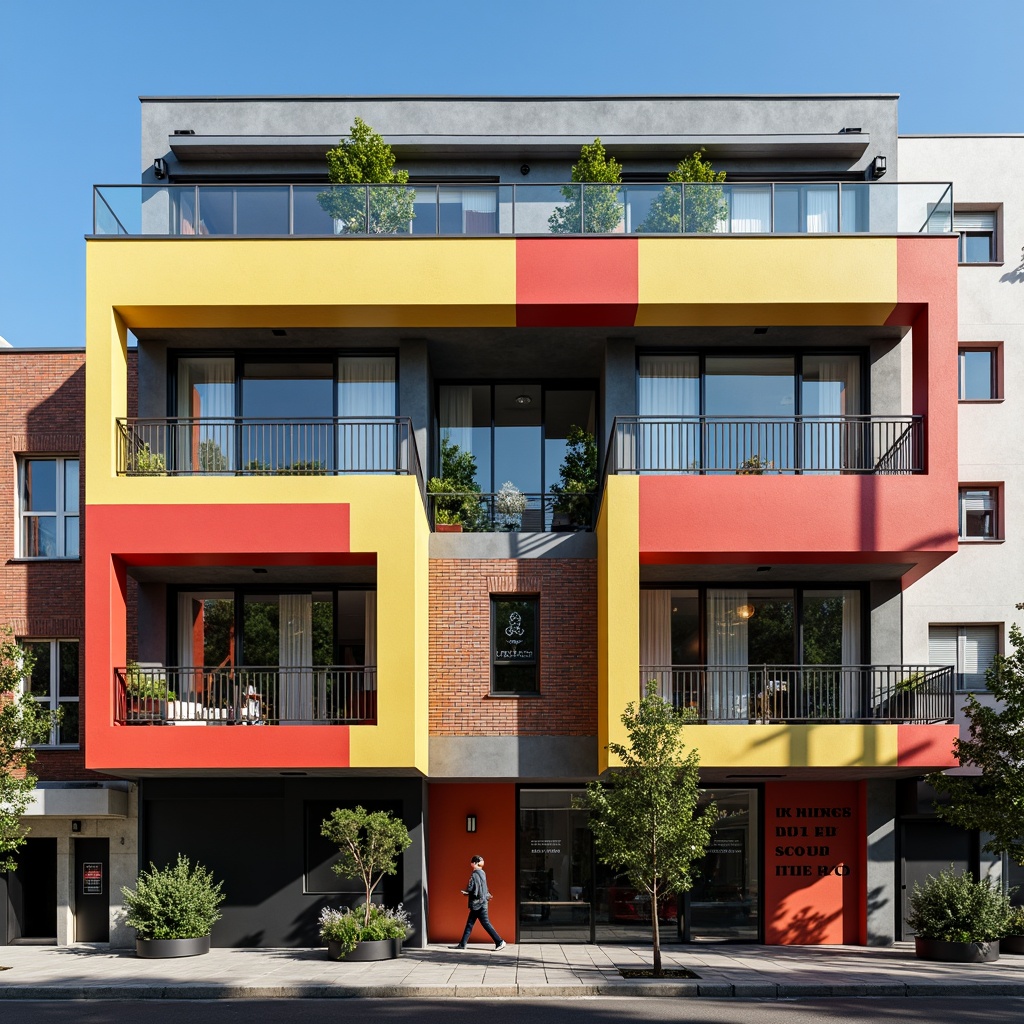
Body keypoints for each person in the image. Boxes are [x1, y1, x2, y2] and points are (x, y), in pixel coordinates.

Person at [453, 855, 506, 950]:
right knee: (471, 923)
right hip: (483, 901)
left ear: (474, 863)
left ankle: (499, 941)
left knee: (484, 923)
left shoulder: (475, 874)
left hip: (478, 903)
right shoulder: (482, 873)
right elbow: (482, 887)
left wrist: (467, 891)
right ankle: (462, 944)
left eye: (472, 862)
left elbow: (474, 887)